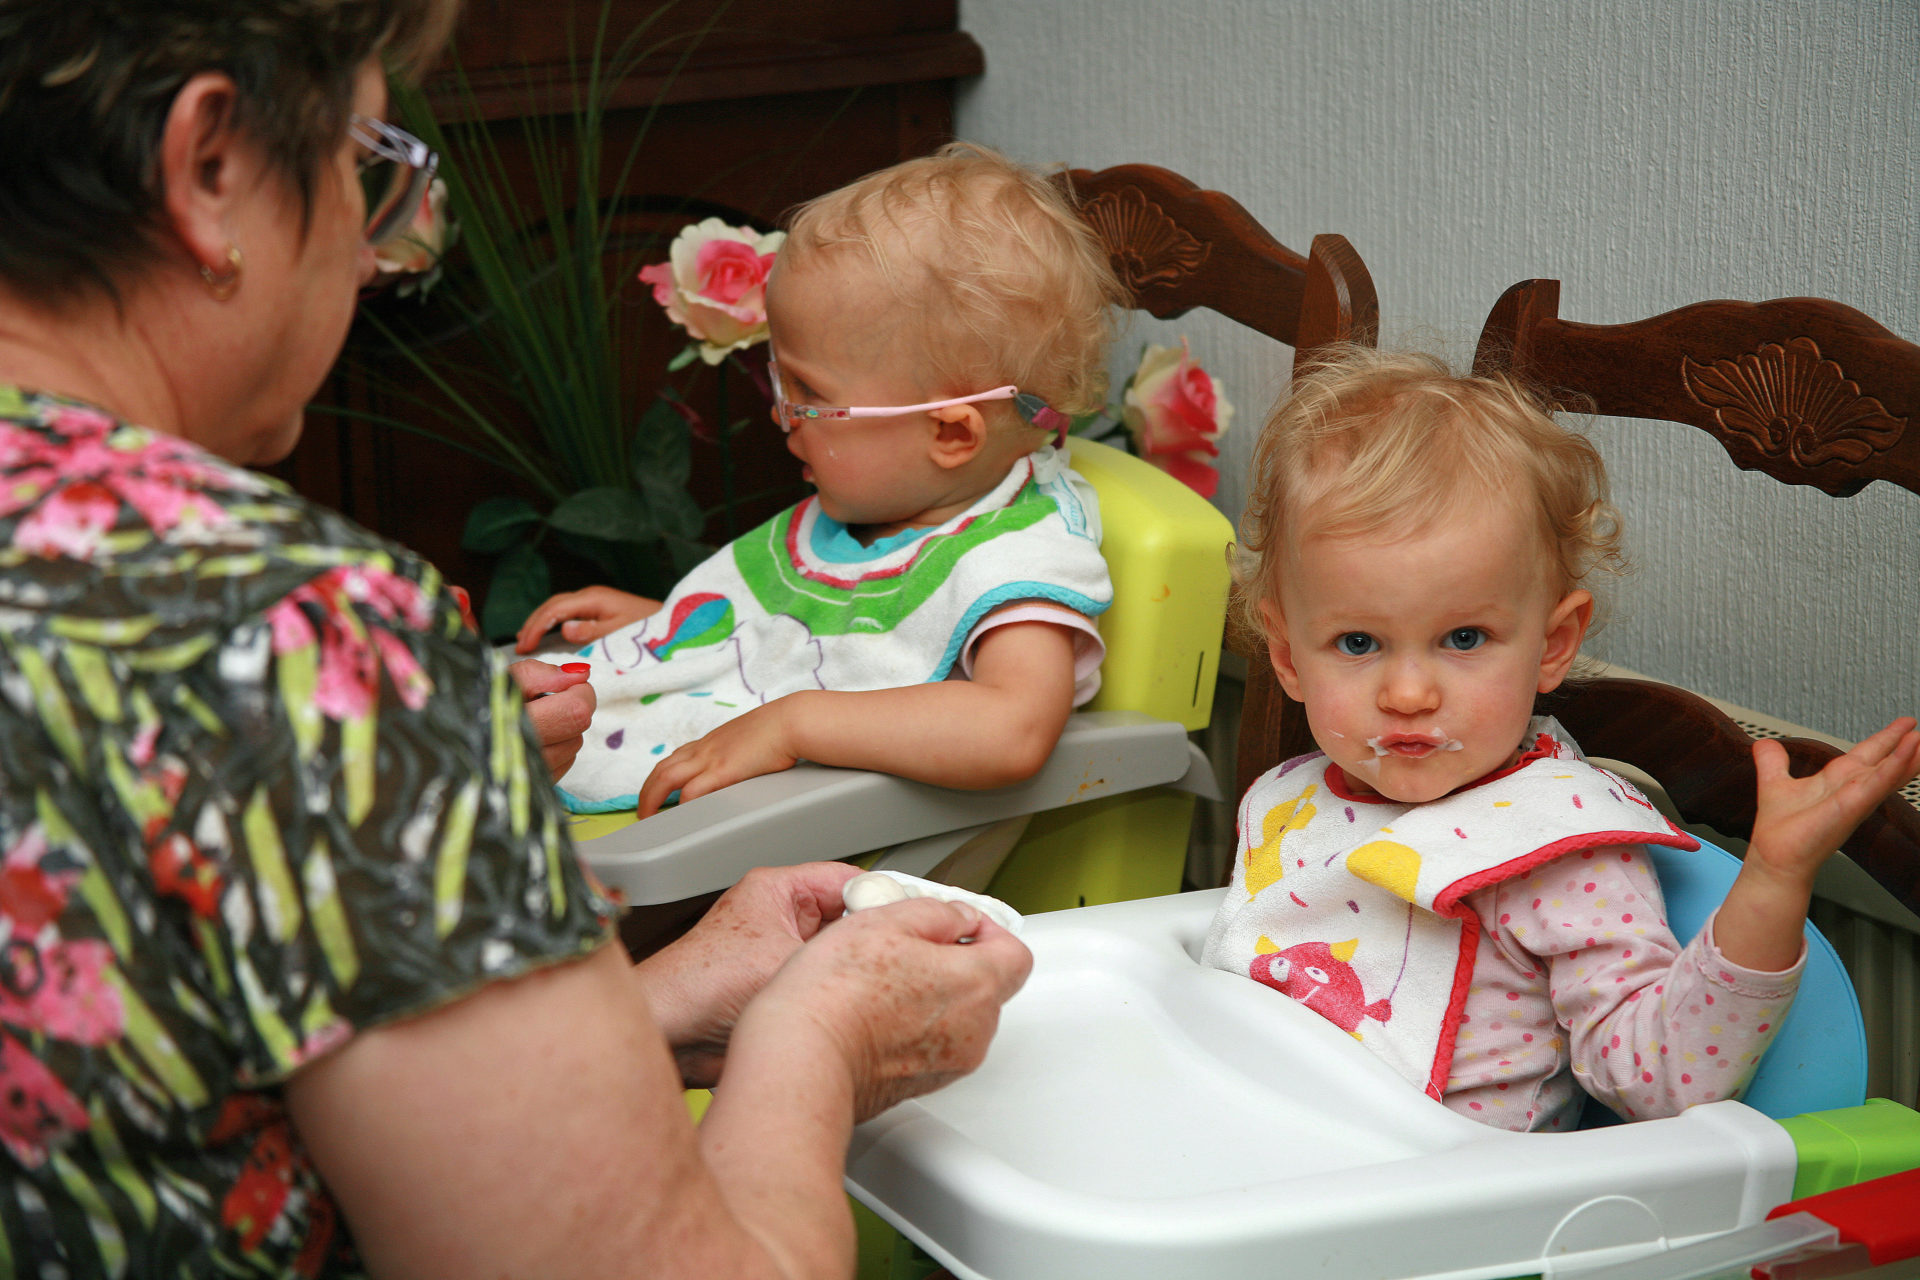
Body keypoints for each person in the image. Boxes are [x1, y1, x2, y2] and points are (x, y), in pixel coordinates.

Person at [0, 5, 1031, 1276]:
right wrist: (817, 1044)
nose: (377, 255)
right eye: (362, 170)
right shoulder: (303, 647)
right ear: (211, 166)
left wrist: (649, 1007)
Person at [1202, 348, 1920, 1131]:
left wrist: (1776, 877)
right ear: (1285, 655)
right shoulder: (1290, 804)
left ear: (1553, 643)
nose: (1408, 695)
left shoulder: (1556, 848)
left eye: (1465, 637)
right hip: (1268, 1153)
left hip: (1445, 1220)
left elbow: (1663, 1082)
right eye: (1357, 644)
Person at [515, 143, 1130, 816]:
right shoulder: (884, 507)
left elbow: (1011, 730)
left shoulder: (1015, 557)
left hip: (845, 869)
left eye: (808, 393)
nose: (782, 415)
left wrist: (794, 723)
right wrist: (680, 634)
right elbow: (811, 637)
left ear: (950, 434)